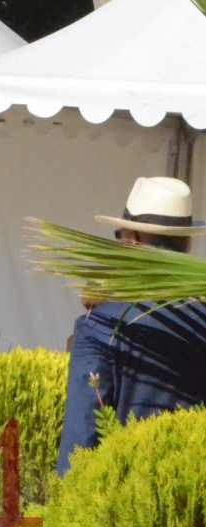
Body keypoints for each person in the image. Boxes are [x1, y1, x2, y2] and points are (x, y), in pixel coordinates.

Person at [56, 176, 206, 477]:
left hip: (124, 501)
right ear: (187, 243)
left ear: (132, 240)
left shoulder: (102, 324)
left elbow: (80, 439)